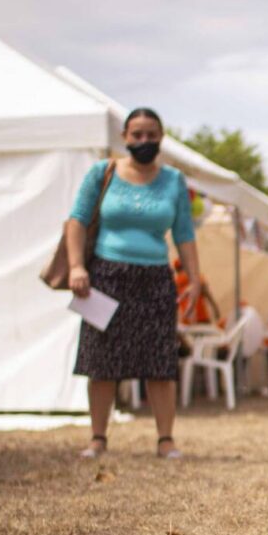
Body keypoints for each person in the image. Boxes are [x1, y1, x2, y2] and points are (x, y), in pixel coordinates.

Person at [68, 107, 200, 460]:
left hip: (155, 276)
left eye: (151, 134)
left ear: (161, 138)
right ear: (125, 137)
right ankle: (98, 437)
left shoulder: (173, 181)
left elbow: (184, 234)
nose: (144, 141)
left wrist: (195, 278)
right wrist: (77, 265)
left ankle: (165, 439)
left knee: (159, 360)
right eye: (137, 134)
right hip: (106, 275)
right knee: (102, 360)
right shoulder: (103, 172)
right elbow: (77, 220)